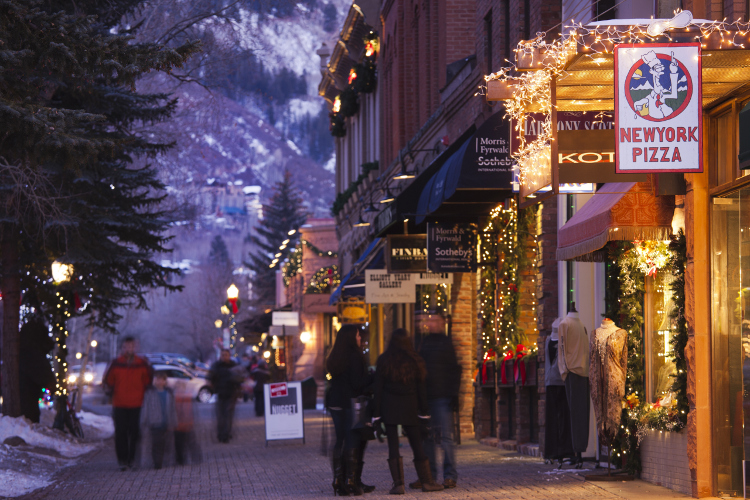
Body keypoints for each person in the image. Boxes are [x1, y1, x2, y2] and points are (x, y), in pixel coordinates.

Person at [374, 329, 443, 494]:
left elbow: (378, 389)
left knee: (393, 445)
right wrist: (424, 412)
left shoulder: (384, 360)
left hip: (389, 406)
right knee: (416, 443)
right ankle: (427, 481)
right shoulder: (415, 360)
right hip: (409, 406)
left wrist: (376, 414)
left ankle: (398, 484)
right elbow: (421, 389)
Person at [410, 314, 461, 489]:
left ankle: (449, 476)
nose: (430, 323)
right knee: (428, 438)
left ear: (441, 323)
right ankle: (429, 475)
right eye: (429, 320)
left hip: (442, 396)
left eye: (434, 320)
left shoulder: (444, 343)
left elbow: (454, 370)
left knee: (445, 437)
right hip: (426, 397)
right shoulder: (422, 342)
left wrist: (453, 395)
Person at [325, 324, 374, 496]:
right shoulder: (355, 356)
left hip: (335, 402)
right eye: (358, 336)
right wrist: (372, 377)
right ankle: (351, 480)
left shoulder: (334, 356)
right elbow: (357, 383)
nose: (360, 338)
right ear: (351, 338)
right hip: (350, 404)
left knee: (339, 440)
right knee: (352, 439)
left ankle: (338, 479)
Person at [104, 336, 153, 470]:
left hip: (137, 403)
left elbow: (148, 380)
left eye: (132, 346)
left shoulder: (142, 363)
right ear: (123, 348)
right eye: (127, 346)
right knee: (121, 433)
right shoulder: (116, 363)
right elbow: (108, 381)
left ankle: (132, 459)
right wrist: (109, 391)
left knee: (134, 433)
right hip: (119, 404)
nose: (129, 349)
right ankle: (123, 460)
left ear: (135, 347)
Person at [140, 372, 176, 469]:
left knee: (164, 443)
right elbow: (146, 407)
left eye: (161, 379)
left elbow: (172, 408)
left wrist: (173, 421)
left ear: (165, 381)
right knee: (156, 443)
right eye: (157, 379)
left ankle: (164, 461)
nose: (158, 381)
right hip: (154, 423)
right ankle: (157, 463)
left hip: (166, 422)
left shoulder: (169, 393)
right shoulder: (150, 393)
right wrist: (144, 420)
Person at [209, 349, 241, 442]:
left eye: (226, 355)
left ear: (229, 355)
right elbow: (211, 378)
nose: (224, 357)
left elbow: (238, 379)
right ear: (220, 356)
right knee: (220, 417)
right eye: (223, 355)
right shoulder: (216, 366)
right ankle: (221, 434)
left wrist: (237, 390)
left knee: (228, 416)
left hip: (231, 395)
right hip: (220, 394)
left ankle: (226, 435)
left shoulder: (233, 366)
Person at [174, 380, 201, 465]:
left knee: (189, 443)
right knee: (179, 444)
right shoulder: (174, 398)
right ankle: (181, 459)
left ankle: (193, 459)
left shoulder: (188, 397)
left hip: (187, 424)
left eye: (181, 387)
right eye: (178, 388)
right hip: (178, 425)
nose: (180, 389)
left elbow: (193, 411)